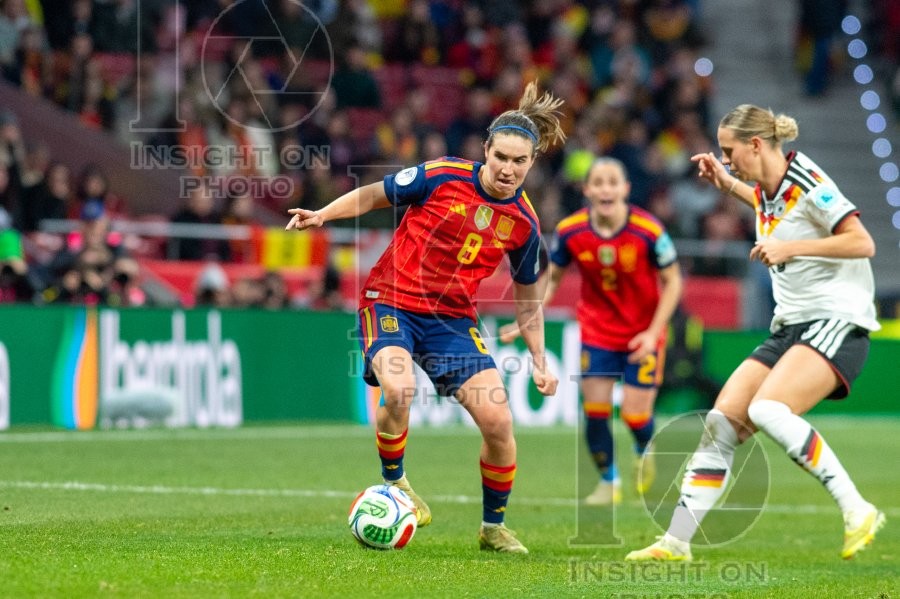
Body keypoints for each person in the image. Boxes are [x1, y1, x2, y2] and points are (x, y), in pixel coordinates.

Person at [286, 81, 566, 554]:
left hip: (452, 321)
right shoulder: (441, 175)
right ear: (486, 151)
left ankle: (493, 528)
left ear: (532, 163)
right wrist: (323, 215)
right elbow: (375, 195)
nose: (508, 169)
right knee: (399, 388)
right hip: (390, 299)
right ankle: (397, 484)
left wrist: (539, 358)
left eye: (520, 162)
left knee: (499, 423)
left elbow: (527, 294)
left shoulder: (523, 223)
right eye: (501, 157)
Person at [626, 104, 885, 562]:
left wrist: (790, 247)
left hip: (836, 321)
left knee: (767, 408)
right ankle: (676, 542)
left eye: (730, 152)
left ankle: (857, 508)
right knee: (720, 425)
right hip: (792, 325)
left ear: (756, 145)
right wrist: (728, 185)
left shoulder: (809, 183)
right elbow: (775, 208)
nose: (725, 159)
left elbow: (862, 242)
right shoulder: (771, 186)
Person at [500, 157, 683, 505]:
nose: (605, 189)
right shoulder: (571, 232)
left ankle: (645, 447)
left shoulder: (649, 231)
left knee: (634, 415)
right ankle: (608, 482)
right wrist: (528, 317)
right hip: (598, 333)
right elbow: (552, 279)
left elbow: (673, 281)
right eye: (598, 182)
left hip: (642, 334)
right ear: (587, 190)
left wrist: (654, 331)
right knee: (595, 412)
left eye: (613, 182)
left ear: (625, 189)